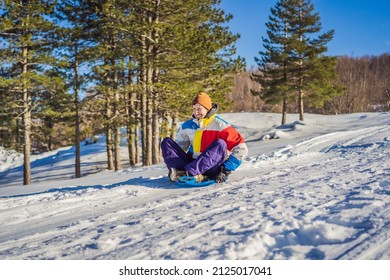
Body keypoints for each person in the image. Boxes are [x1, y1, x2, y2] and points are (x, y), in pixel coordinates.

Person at [161, 92, 248, 183]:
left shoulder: (220, 125)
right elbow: (180, 149)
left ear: (208, 109)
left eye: (199, 109)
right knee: (167, 142)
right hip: (192, 164)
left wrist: (226, 170)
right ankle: (181, 172)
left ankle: (189, 173)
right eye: (194, 109)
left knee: (220, 143)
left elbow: (242, 148)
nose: (196, 112)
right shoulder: (188, 125)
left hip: (212, 167)